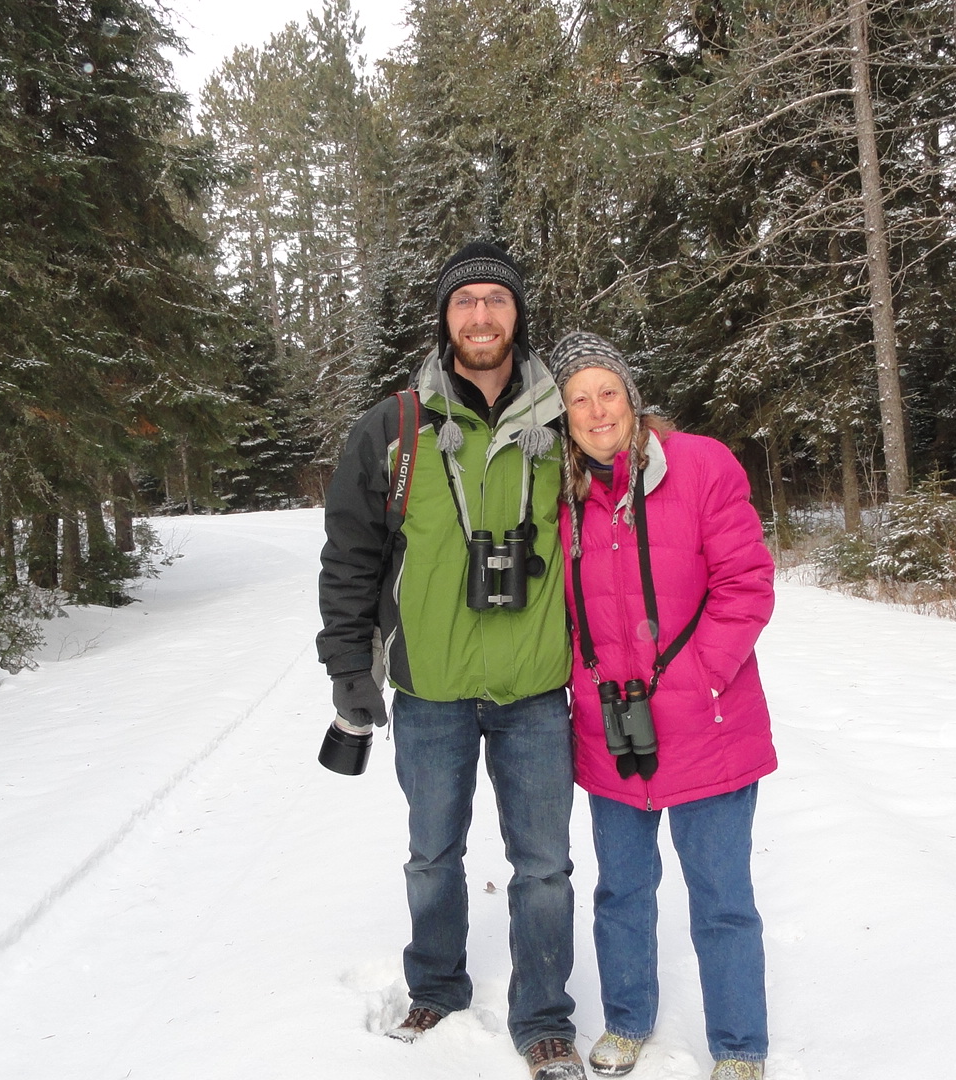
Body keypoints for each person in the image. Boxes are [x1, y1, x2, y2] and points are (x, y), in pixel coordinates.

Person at [316, 243, 585, 1080]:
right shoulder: (393, 428)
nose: (479, 316)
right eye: (464, 301)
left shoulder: (564, 421)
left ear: (517, 315)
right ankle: (435, 983)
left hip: (537, 689)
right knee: (432, 852)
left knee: (543, 865)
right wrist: (348, 667)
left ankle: (543, 1017)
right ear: (444, 317)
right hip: (428, 687)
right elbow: (350, 555)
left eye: (494, 301)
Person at [549, 331, 778, 1080]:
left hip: (708, 726)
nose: (595, 409)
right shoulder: (562, 491)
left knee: (722, 899)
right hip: (612, 732)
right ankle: (626, 1020)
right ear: (564, 416)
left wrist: (701, 679)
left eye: (606, 391)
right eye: (578, 398)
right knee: (621, 892)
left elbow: (746, 585)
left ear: (632, 397)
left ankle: (740, 1044)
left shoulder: (703, 464)